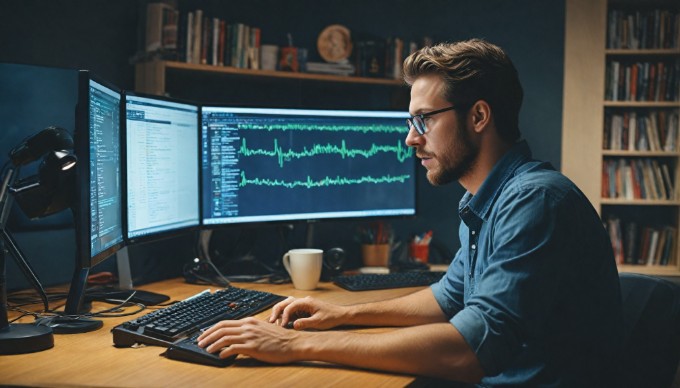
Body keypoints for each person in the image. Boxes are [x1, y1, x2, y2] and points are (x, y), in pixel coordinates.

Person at [198, 38, 624, 386]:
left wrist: (292, 345)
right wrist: (341, 314)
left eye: (423, 120)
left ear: (478, 116)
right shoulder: (491, 200)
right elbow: (447, 298)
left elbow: (468, 352)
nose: (409, 139)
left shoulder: (535, 202)